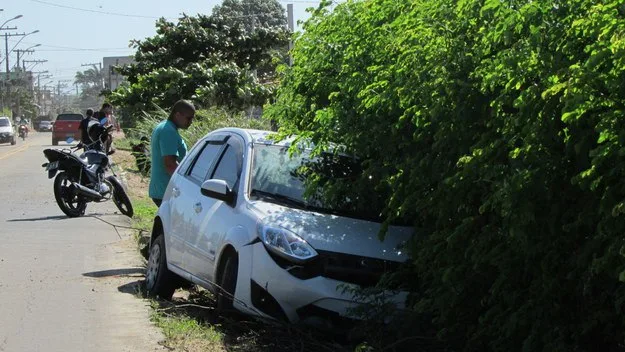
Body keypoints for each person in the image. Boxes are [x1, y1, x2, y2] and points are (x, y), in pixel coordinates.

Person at [149, 99, 195, 207]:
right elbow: (170, 165)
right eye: (189, 118)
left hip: (165, 190)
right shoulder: (168, 131)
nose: (191, 122)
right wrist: (187, 186)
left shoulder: (165, 127)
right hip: (166, 191)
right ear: (178, 115)